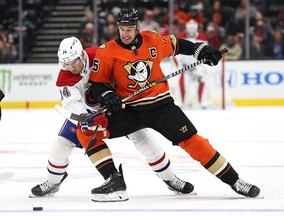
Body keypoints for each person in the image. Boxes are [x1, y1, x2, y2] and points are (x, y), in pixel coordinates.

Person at [83, 8, 261, 201]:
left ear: (137, 27)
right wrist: (106, 94)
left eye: (130, 28)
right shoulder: (107, 51)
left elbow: (177, 44)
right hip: (130, 110)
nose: (125, 33)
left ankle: (235, 181)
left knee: (195, 142)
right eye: (122, 28)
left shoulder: (152, 40)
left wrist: (200, 50)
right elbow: (96, 85)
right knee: (86, 130)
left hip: (161, 106)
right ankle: (113, 179)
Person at [29, 37, 194, 201]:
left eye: (73, 62)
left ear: (81, 54)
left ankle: (170, 178)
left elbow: (123, 68)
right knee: (60, 145)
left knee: (144, 139)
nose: (70, 67)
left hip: (118, 107)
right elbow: (71, 104)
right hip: (90, 113)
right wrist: (87, 117)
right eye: (66, 64)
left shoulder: (100, 54)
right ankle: (53, 182)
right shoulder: (65, 78)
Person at [175, 19, 212, 109]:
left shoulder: (202, 36)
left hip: (197, 66)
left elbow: (205, 52)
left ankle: (203, 102)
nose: (191, 30)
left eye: (193, 28)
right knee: (182, 83)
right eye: (189, 28)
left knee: (201, 82)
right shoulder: (181, 35)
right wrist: (180, 64)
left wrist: (202, 65)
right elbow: (176, 51)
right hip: (185, 66)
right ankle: (181, 102)